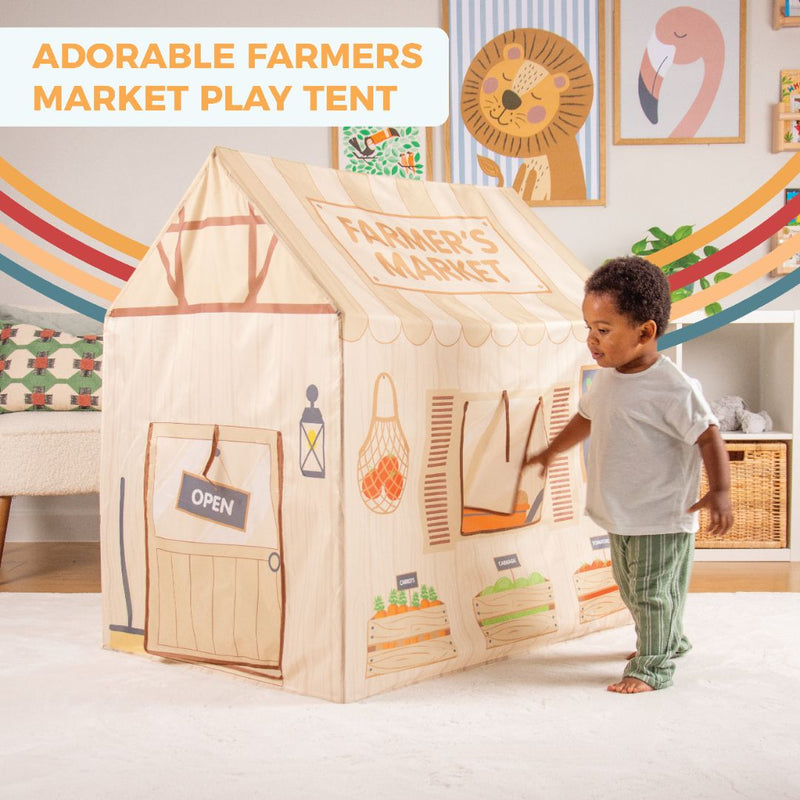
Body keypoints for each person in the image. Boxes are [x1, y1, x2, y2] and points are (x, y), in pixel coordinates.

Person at [526, 256, 733, 693]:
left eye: (603, 330)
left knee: (650, 591)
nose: (591, 339)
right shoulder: (607, 378)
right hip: (622, 510)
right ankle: (668, 640)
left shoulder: (672, 387)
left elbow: (709, 435)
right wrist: (551, 450)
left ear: (644, 332)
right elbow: (586, 418)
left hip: (660, 514)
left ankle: (653, 666)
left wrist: (721, 491)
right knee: (632, 586)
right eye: (589, 327)